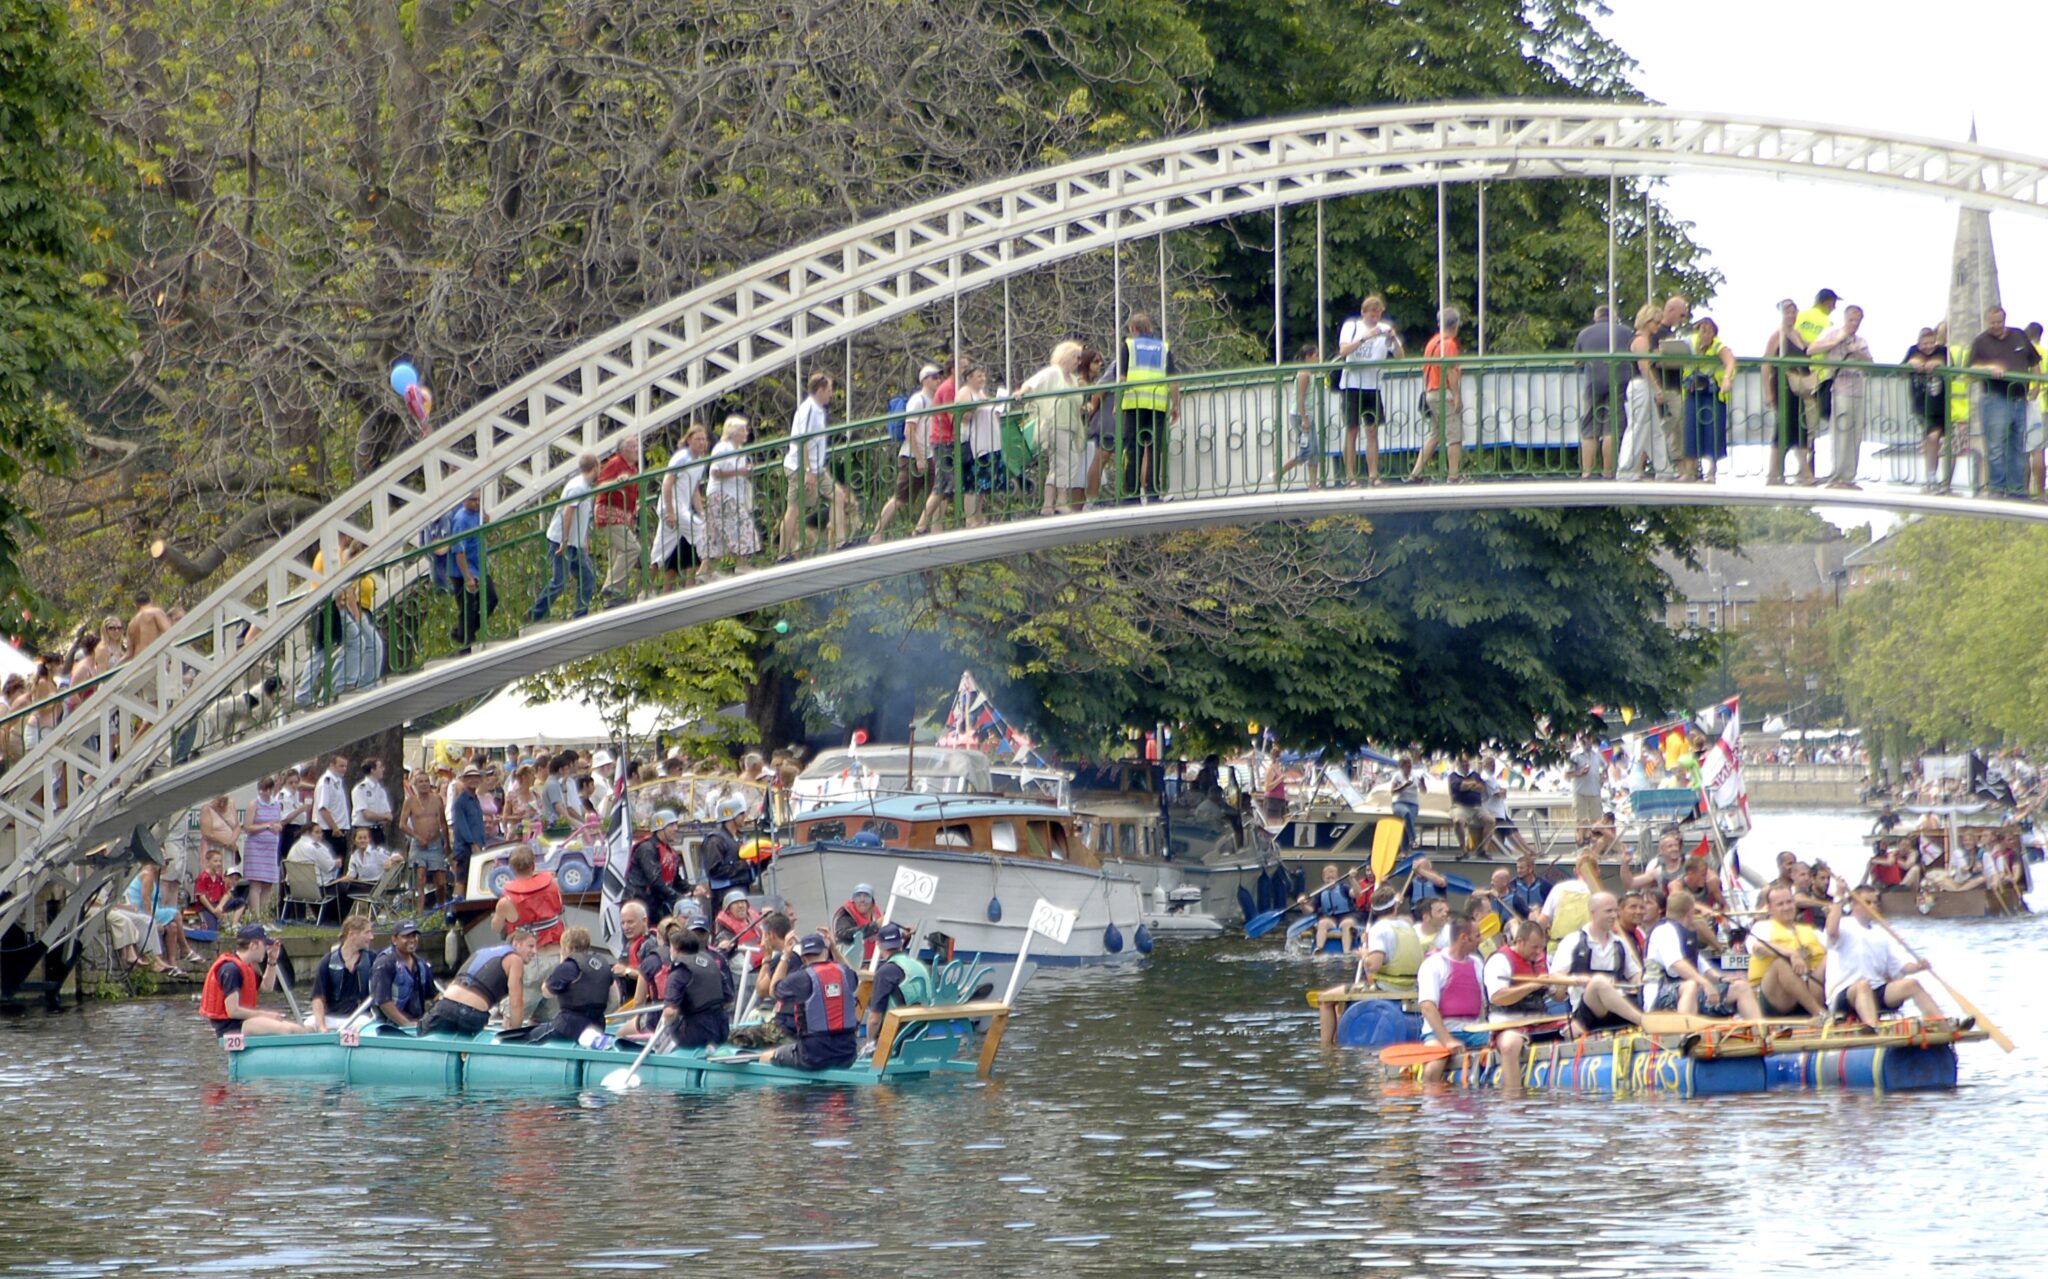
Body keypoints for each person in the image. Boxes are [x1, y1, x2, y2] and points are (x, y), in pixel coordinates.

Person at [1824, 888, 1941, 1025]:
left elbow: (1899, 967)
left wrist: (1917, 967)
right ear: (1854, 904)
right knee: (1863, 985)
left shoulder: (1881, 936)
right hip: (1845, 995)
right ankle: (1874, 1029)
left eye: (1875, 903)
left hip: (1874, 991)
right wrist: (1839, 897)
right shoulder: (1844, 925)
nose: (1873, 906)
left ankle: (1941, 1024)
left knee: (1912, 984)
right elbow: (1831, 932)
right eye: (1867, 902)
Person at [1414, 916, 1506, 1084]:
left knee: (1505, 1045)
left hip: (1474, 1031)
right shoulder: (1434, 964)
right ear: (1464, 937)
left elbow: (1484, 1006)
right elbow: (1427, 1007)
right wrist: (1447, 1040)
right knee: (1434, 1067)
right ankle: (1432, 1106)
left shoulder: (1477, 963)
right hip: (1439, 1032)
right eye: (1477, 936)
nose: (1481, 940)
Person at [1643, 889, 1761, 1018]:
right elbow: (1677, 964)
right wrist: (1705, 983)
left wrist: (1721, 978)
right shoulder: (1664, 931)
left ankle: (1759, 1032)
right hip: (1658, 995)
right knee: (1691, 986)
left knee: (1741, 987)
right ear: (1690, 913)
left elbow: (1703, 968)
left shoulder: (1685, 935)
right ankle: (1685, 1035)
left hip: (1691, 992)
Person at [1968, 306, 2041, 498]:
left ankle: (2017, 490)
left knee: (2018, 446)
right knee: (1996, 447)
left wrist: (2037, 386)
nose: (1996, 326)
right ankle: (1997, 489)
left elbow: (2034, 361)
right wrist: (1989, 367)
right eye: (1992, 323)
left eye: (1999, 322)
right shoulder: (1981, 342)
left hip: (2020, 399)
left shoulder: (2019, 336)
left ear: (2004, 320)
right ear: (1987, 321)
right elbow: (1970, 370)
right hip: (1995, 399)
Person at [1550, 891, 1645, 1036]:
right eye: (1608, 911)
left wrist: (1641, 982)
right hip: (1587, 1012)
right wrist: (1574, 980)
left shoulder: (1619, 943)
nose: (1614, 915)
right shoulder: (1573, 941)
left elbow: (1634, 974)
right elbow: (1554, 976)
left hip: (1618, 1009)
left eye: (1615, 911)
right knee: (1598, 983)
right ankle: (1644, 1021)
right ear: (1593, 912)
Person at [766, 931, 860, 1070]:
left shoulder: (800, 978)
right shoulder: (845, 974)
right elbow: (854, 975)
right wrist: (834, 949)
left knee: (766, 1056)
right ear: (826, 952)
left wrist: (785, 956)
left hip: (813, 1056)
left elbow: (773, 990)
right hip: (847, 1054)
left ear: (803, 958)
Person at [526, 452, 602, 621]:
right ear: (595, 467)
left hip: (574, 543)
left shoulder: (585, 486)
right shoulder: (578, 487)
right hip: (562, 541)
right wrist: (565, 540)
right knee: (559, 582)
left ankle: (580, 615)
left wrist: (584, 539)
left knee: (587, 577)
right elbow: (568, 512)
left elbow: (582, 516)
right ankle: (534, 614)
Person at [423, 927, 539, 1036]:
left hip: (445, 1005)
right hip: (472, 1013)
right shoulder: (515, 959)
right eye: (530, 946)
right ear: (516, 944)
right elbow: (516, 1002)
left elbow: (457, 979)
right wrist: (515, 1034)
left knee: (424, 1036)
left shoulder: (481, 952)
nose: (534, 951)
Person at [1336, 295, 1402, 484]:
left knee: (1372, 430)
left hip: (1373, 385)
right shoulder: (1352, 326)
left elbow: (1399, 356)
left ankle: (1373, 475)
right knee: (1352, 429)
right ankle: (1350, 476)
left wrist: (1394, 339)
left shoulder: (1385, 329)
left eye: (1378, 314)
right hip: (1352, 384)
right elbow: (1343, 351)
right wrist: (1364, 338)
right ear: (1363, 313)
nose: (1375, 318)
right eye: (1372, 314)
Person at [871, 365, 940, 542]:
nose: (938, 380)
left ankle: (929, 529)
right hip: (912, 456)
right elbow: (909, 431)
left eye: (939, 377)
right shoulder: (918, 400)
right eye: (934, 377)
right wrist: (919, 458)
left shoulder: (935, 401)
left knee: (939, 491)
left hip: (930, 455)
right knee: (901, 497)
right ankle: (876, 533)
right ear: (925, 380)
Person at [779, 372, 846, 556]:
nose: (831, 394)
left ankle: (839, 543)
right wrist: (808, 471)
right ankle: (783, 554)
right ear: (821, 390)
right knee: (794, 510)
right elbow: (804, 441)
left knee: (838, 496)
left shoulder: (817, 410)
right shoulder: (808, 409)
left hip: (817, 468)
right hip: (801, 468)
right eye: (829, 390)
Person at [200, 925, 308, 1037]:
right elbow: (233, 1011)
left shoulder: (246, 967)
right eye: (264, 944)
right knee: (290, 1030)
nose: (266, 948)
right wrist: (264, 1015)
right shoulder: (231, 969)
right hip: (232, 1027)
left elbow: (267, 987)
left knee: (299, 1028)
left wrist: (272, 961)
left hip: (243, 1022)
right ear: (253, 945)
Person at [1113, 313, 1178, 500]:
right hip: (1157, 404)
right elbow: (1173, 381)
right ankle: (1152, 492)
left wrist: (1118, 402)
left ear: (1133, 329)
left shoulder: (1129, 345)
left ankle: (1131, 494)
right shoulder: (1163, 347)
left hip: (1133, 403)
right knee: (1155, 449)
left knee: (1133, 449)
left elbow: (1123, 378)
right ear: (1149, 328)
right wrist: (1176, 405)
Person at [1020, 341, 1088, 514]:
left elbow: (1074, 401)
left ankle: (1048, 504)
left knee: (1062, 462)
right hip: (1057, 423)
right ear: (1066, 356)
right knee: (1064, 461)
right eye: (1076, 357)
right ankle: (1061, 501)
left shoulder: (1073, 379)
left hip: (1070, 424)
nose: (1078, 362)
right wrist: (1021, 392)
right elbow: (1034, 382)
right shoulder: (1053, 372)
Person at [1809, 304, 1872, 489]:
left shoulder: (1861, 341)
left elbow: (1870, 362)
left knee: (1855, 433)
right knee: (1841, 431)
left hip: (1858, 389)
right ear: (1845, 319)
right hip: (1840, 388)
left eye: (1857, 320)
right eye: (1851, 320)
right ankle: (1836, 475)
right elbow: (1811, 349)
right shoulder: (1833, 333)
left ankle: (1849, 476)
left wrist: (1857, 352)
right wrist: (1836, 341)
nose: (1854, 324)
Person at [1746, 885, 1827, 1020]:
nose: (1786, 907)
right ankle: (1819, 1013)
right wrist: (1791, 954)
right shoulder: (1762, 927)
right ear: (1770, 908)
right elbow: (1758, 948)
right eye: (1780, 904)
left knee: (1831, 957)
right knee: (1780, 964)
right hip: (1776, 996)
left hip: (1811, 987)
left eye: (1789, 902)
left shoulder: (1811, 931)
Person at [1760, 299, 1817, 486]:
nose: (1791, 315)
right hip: (1783, 385)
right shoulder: (1777, 336)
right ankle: (1775, 473)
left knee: (1800, 427)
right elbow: (1766, 364)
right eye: (1787, 312)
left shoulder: (1799, 335)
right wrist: (1767, 392)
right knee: (1783, 427)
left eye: (1793, 312)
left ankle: (1803, 472)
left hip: (1799, 388)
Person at [1574, 303, 1633, 478]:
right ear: (1614, 317)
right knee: (1612, 428)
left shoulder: (1584, 333)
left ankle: (1586, 472)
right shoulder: (1626, 332)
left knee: (1589, 427)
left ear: (1596, 317)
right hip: (1620, 380)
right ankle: (1608, 472)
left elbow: (1577, 362)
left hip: (1593, 382)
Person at [530, 927, 616, 1045]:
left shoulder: (568, 966)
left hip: (568, 1026)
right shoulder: (604, 965)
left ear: (565, 947)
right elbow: (614, 1001)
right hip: (598, 1025)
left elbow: (546, 992)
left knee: (530, 1036)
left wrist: (561, 964)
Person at [1407, 307, 1465, 482]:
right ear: (1456, 324)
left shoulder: (1432, 342)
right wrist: (1456, 396)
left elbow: (1425, 369)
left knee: (1436, 435)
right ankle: (1453, 475)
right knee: (1455, 435)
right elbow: (1451, 372)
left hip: (1431, 392)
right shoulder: (1449, 344)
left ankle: (1415, 474)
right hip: (1444, 393)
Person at [1616, 302, 1672, 480]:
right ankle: (1626, 469)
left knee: (1654, 429)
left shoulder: (1640, 339)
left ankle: (1664, 469)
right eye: (1655, 322)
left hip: (1641, 386)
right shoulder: (1641, 340)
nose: (1657, 326)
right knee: (1638, 427)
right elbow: (1644, 366)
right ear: (1647, 321)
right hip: (1640, 386)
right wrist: (1657, 389)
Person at [1678, 317, 1736, 482]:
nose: (1705, 334)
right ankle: (1689, 472)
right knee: (1691, 430)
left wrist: (1726, 379)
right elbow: (1674, 352)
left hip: (1712, 392)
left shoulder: (1718, 345)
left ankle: (1711, 472)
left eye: (1709, 331)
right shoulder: (1690, 342)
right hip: (1692, 391)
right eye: (1702, 330)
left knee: (1713, 431)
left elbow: (1730, 361)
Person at [659, 917, 730, 1049]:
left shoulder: (679, 971)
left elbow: (670, 1012)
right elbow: (729, 998)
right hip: (722, 1029)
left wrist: (667, 1029)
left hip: (696, 1033)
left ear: (676, 949)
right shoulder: (711, 962)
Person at [701, 414, 761, 568]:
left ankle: (704, 571)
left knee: (714, 535)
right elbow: (715, 472)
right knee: (742, 526)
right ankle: (742, 565)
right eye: (743, 430)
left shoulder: (738, 450)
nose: (746, 433)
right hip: (723, 495)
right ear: (733, 432)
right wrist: (739, 471)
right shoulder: (724, 448)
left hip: (728, 494)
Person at [592, 435, 644, 607]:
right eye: (632, 446)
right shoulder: (616, 463)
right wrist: (616, 481)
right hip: (609, 513)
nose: (637, 449)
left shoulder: (633, 469)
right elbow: (599, 486)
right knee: (632, 548)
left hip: (623, 516)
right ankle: (612, 588)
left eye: (637, 446)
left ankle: (612, 598)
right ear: (623, 450)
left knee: (617, 555)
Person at [447, 491, 498, 653]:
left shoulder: (478, 514)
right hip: (463, 570)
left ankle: (462, 633)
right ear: (465, 501)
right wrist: (467, 576)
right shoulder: (460, 520)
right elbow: (458, 552)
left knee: (491, 599)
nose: (477, 503)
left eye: (478, 500)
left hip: (480, 567)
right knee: (467, 607)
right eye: (473, 500)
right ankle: (466, 645)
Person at [863, 922, 930, 1041]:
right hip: (921, 1034)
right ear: (900, 944)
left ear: (878, 944)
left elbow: (874, 1019)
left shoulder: (885, 972)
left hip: (896, 1039)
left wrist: (869, 1043)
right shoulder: (918, 965)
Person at [310, 913, 377, 1031]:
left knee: (362, 1027)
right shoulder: (328, 961)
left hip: (360, 1017)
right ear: (352, 934)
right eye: (367, 933)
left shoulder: (373, 959)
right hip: (332, 1017)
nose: (372, 937)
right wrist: (322, 1027)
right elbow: (318, 998)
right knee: (306, 1026)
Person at [1905, 326, 1952, 490]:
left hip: (1940, 406)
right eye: (1924, 343)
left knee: (1935, 439)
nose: (1928, 346)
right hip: (1921, 406)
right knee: (1931, 439)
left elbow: (1947, 362)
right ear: (1919, 343)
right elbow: (1901, 371)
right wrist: (1912, 363)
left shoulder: (1943, 351)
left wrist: (1937, 363)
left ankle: (1935, 478)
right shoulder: (1912, 351)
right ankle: (1931, 476)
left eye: (1931, 343)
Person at [369, 919, 436, 1027]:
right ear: (394, 939)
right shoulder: (384, 963)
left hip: (417, 1025)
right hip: (388, 1027)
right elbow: (383, 1001)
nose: (412, 940)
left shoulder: (421, 964)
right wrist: (406, 1024)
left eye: (414, 936)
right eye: (406, 936)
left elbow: (434, 995)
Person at [399, 769, 451, 909]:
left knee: (440, 881)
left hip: (435, 844)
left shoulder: (437, 799)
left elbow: (443, 823)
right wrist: (417, 836)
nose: (424, 784)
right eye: (420, 782)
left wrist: (446, 844)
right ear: (414, 785)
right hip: (418, 845)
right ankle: (419, 913)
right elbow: (402, 824)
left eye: (426, 781)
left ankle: (441, 909)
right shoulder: (410, 802)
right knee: (420, 878)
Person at [622, 809, 683, 920]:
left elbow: (676, 880)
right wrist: (678, 896)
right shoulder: (647, 849)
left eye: (676, 824)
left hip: (656, 903)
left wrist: (692, 889)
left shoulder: (669, 851)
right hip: (641, 903)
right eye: (671, 825)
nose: (676, 828)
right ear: (660, 828)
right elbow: (655, 880)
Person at [1301, 864, 1361, 955]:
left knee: (1346, 924)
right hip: (1331, 919)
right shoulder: (1321, 893)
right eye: (1327, 878)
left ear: (1337, 878)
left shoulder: (1344, 888)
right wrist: (1302, 904)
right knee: (1322, 923)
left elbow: (1357, 894)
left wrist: (1352, 879)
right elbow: (1309, 910)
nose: (1330, 880)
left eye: (1332, 878)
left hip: (1346, 916)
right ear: (1323, 879)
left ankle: (1346, 952)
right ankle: (1319, 949)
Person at [699, 795, 751, 898]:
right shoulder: (715, 841)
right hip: (724, 895)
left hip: (743, 889)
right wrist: (742, 865)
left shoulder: (742, 837)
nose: (744, 816)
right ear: (731, 817)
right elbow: (714, 871)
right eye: (740, 813)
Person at [449, 764, 489, 892]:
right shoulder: (460, 801)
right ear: (465, 780)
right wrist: (472, 844)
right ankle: (455, 908)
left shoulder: (475, 798)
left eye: (476, 777)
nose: (473, 780)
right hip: (465, 848)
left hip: (477, 844)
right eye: (470, 778)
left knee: (473, 880)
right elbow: (461, 826)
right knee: (462, 878)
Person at [1445, 754, 1495, 853]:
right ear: (1458, 763)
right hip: (1460, 806)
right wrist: (1472, 784)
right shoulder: (1453, 776)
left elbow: (1481, 787)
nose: (1466, 764)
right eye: (1463, 762)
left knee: (1490, 820)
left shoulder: (1475, 774)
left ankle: (1484, 849)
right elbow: (1459, 787)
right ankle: (1463, 849)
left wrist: (1467, 785)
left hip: (1477, 806)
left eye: (1467, 761)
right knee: (1458, 821)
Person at [192, 845, 245, 931]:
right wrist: (213, 911)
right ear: (208, 862)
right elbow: (202, 898)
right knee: (212, 930)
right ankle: (216, 922)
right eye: (215, 861)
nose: (219, 863)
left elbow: (226, 894)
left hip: (217, 904)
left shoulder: (219, 878)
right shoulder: (203, 877)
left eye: (220, 861)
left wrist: (220, 907)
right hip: (206, 907)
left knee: (241, 902)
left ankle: (234, 925)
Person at [313, 753, 352, 867]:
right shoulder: (327, 781)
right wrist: (335, 828)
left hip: (339, 830)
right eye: (341, 766)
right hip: (330, 831)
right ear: (332, 765)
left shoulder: (337, 781)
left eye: (345, 766)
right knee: (331, 866)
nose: (344, 769)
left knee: (340, 865)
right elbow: (323, 808)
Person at [833, 883, 882, 962]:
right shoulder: (846, 916)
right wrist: (874, 926)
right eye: (858, 897)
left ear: (872, 901)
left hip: (874, 962)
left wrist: (904, 937)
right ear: (853, 900)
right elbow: (843, 934)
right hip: (851, 964)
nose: (862, 900)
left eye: (866, 896)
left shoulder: (876, 915)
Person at [1566, 734, 1603, 836]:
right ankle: (1581, 846)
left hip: (1595, 792)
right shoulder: (1575, 756)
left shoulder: (1597, 754)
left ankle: (1595, 848)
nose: (1589, 742)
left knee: (1597, 822)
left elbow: (1604, 767)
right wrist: (1579, 773)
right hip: (1580, 792)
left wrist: (1603, 778)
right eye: (1587, 739)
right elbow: (1566, 775)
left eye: (1590, 739)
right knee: (1581, 822)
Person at [1388, 754, 1423, 855]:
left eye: (1410, 766)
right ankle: (1413, 839)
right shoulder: (1397, 776)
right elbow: (1392, 792)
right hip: (1399, 803)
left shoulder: (1415, 776)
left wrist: (1423, 783)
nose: (1409, 768)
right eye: (1407, 766)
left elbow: (1423, 790)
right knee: (1406, 813)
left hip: (1413, 804)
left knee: (1407, 822)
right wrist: (1404, 786)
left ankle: (1405, 851)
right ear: (1402, 766)